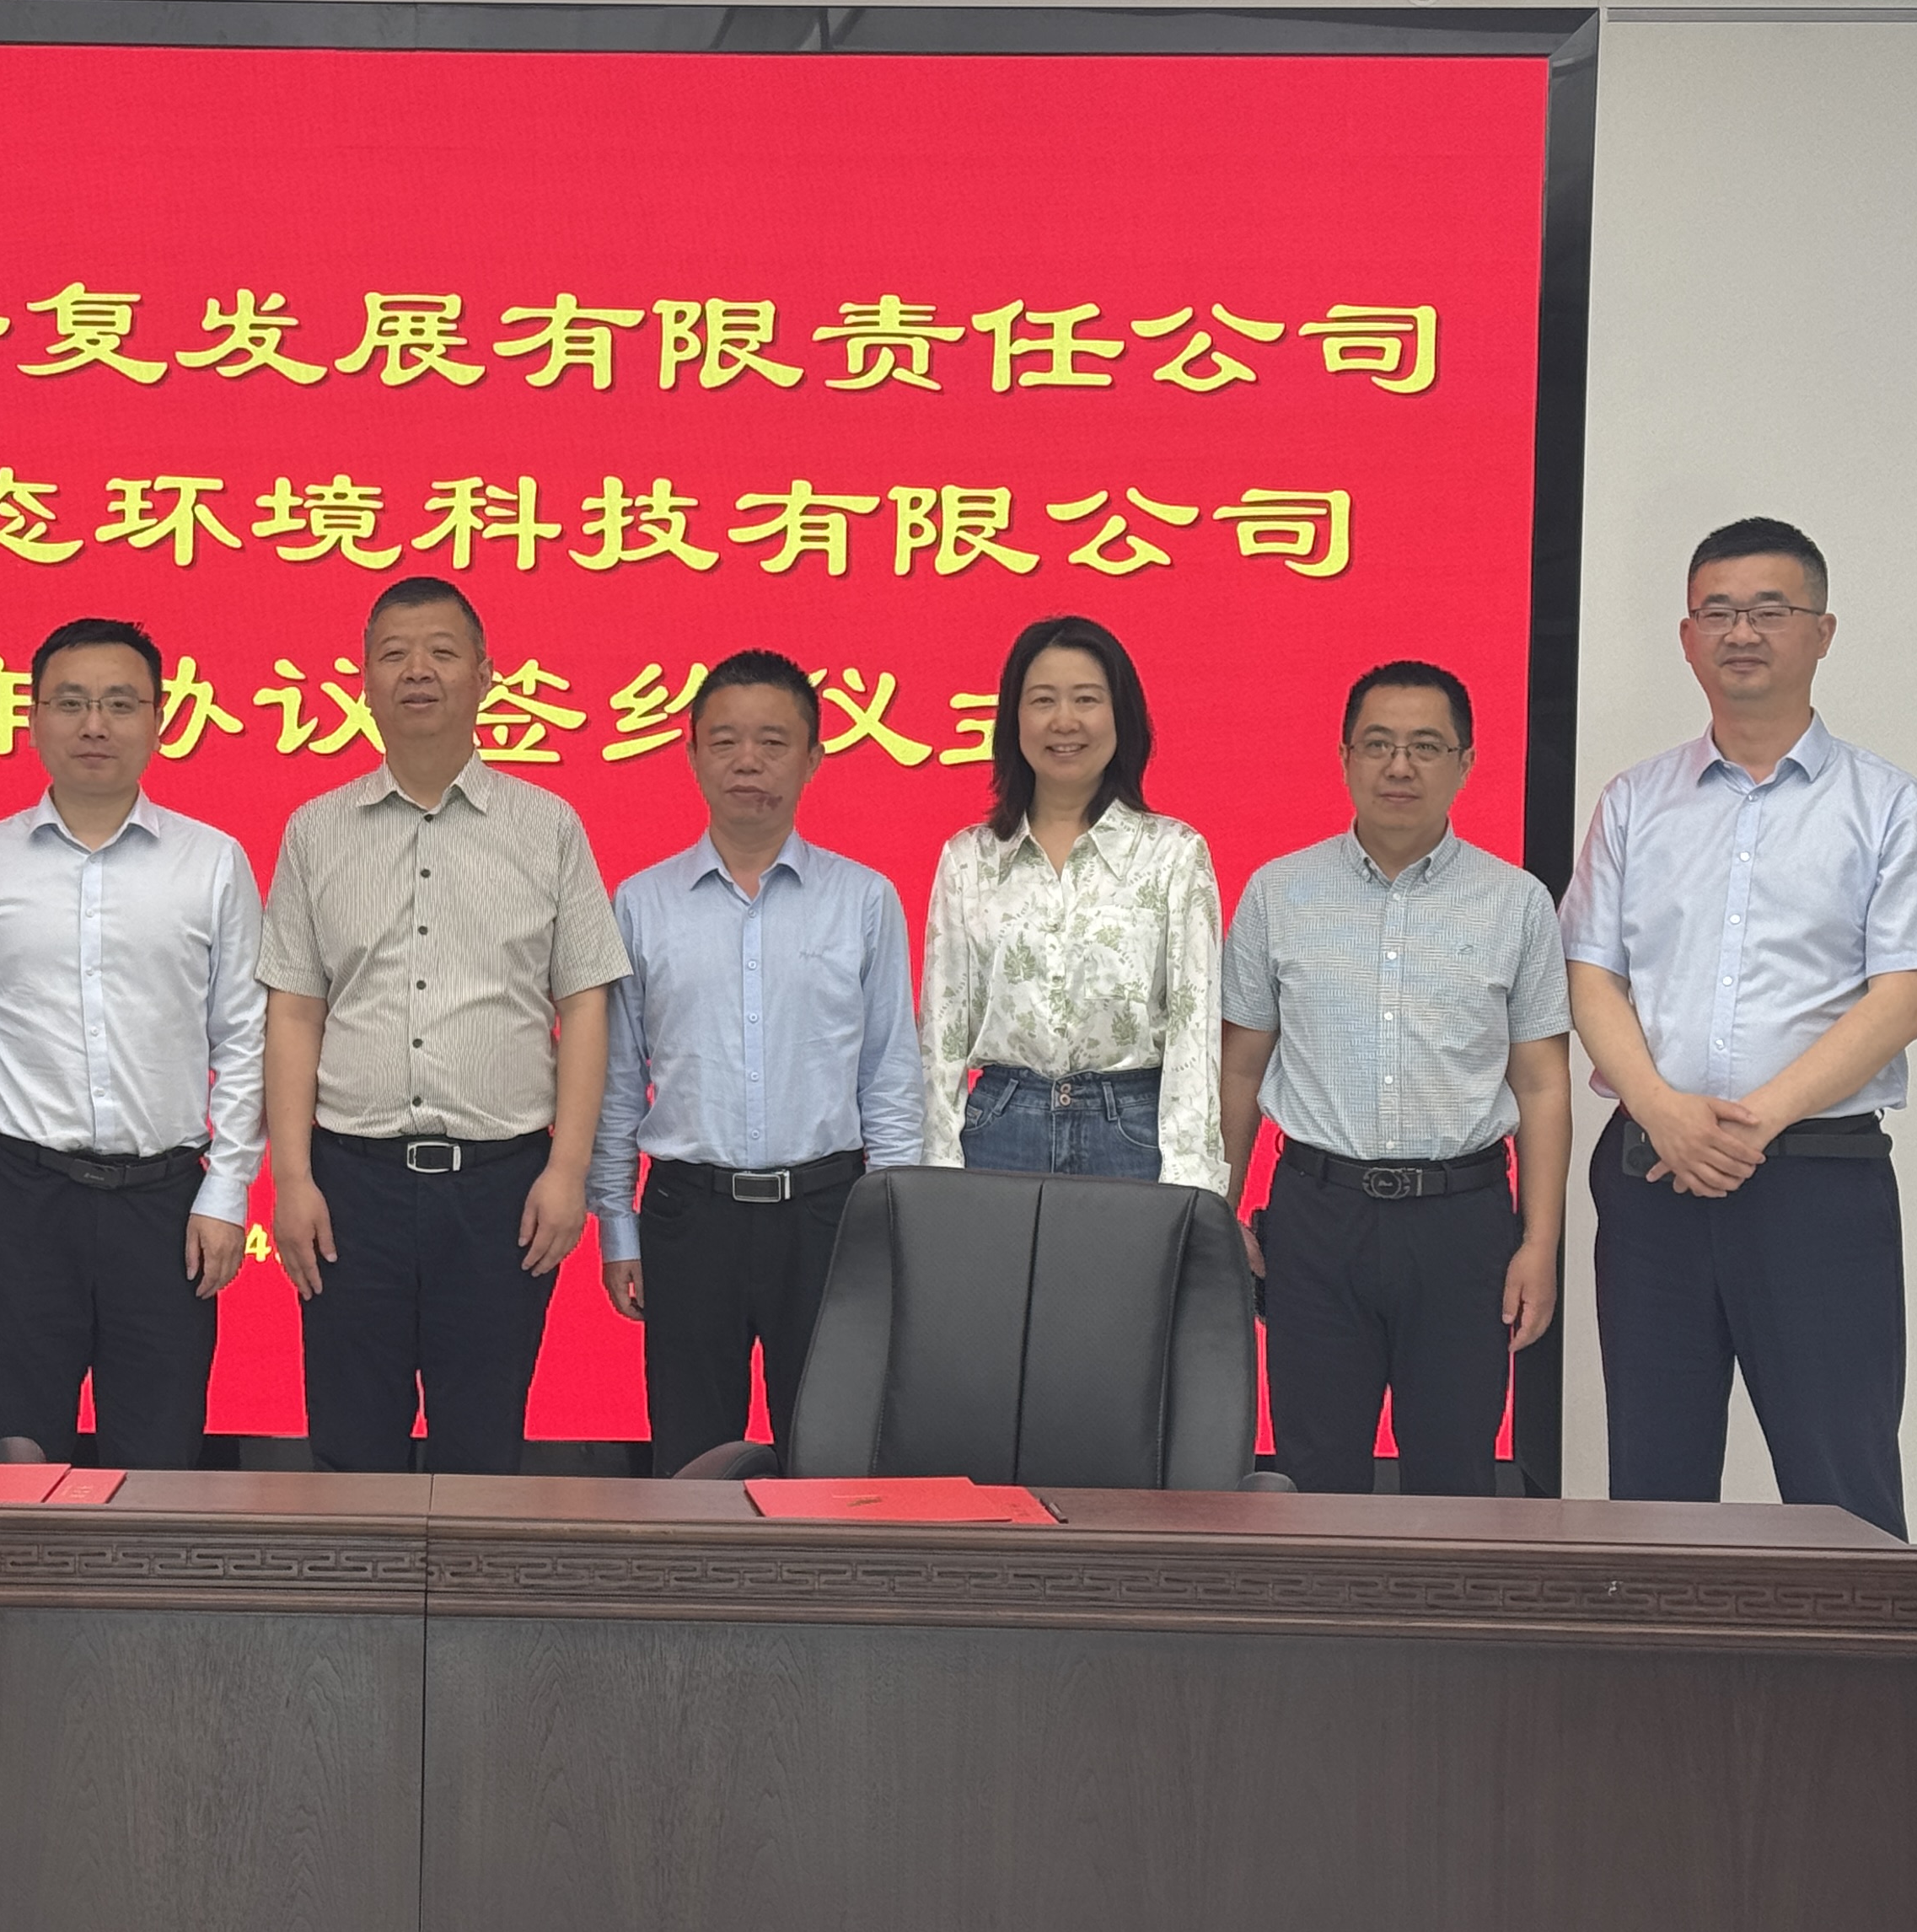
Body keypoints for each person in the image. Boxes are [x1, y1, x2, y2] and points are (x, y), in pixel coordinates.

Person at [1563, 518, 1917, 1538]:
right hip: (1653, 1177)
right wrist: (1663, 1113)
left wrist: (1753, 1123)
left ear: (1822, 631)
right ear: (1687, 637)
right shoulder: (1635, 802)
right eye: (1718, 612)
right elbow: (1592, 976)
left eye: (1770, 611)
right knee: (1653, 1482)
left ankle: (1861, 1658)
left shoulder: (1890, 806)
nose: (1741, 632)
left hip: (1818, 1183)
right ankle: (1656, 1658)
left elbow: (1902, 1000)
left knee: (1842, 1477)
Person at [259, 576, 630, 1473]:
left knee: (484, 1450)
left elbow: (585, 1004)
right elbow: (296, 1012)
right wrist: (292, 1178)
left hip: (502, 1190)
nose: (416, 671)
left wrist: (569, 1172)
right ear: (364, 681)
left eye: (441, 652)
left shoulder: (548, 827)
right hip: (351, 1187)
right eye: (393, 655)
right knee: (351, 1449)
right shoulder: (315, 830)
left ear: (485, 675)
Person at [1219, 661, 1571, 1497]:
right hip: (1317, 1221)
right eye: (1377, 745)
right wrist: (1217, 1213)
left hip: (1462, 1226)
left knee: (1456, 1481)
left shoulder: (1517, 902)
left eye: (1425, 746)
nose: (1399, 766)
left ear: (1466, 762)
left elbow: (1543, 1084)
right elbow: (1238, 1067)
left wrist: (1539, 1243)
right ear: (1345, 757)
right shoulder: (1277, 893)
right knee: (1314, 1478)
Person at [0, 617, 264, 1468]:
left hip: (165, 1208)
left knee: (157, 1460)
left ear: (159, 719)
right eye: (71, 703)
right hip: (17, 1200)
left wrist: (227, 1191)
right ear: (33, 717)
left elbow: (244, 1039)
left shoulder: (212, 862)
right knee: (11, 1450)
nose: (94, 725)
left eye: (120, 704)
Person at [591, 649, 919, 1474]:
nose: (748, 762)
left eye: (773, 742)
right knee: (692, 1463)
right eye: (725, 740)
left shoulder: (864, 899)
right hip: (687, 1217)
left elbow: (889, 1076)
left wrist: (892, 1232)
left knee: (832, 1464)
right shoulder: (641, 903)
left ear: (813, 759)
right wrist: (618, 1228)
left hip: (828, 1214)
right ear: (692, 753)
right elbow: (618, 1083)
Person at [921, 614, 1224, 1193]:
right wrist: (936, 1171)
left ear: (1121, 716)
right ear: (1013, 719)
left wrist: (1194, 1184)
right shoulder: (969, 859)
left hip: (1133, 1134)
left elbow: (1195, 1032)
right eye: (1042, 700)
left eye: (1086, 699)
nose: (1064, 721)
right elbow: (943, 1032)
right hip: (1001, 1128)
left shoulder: (1175, 853)